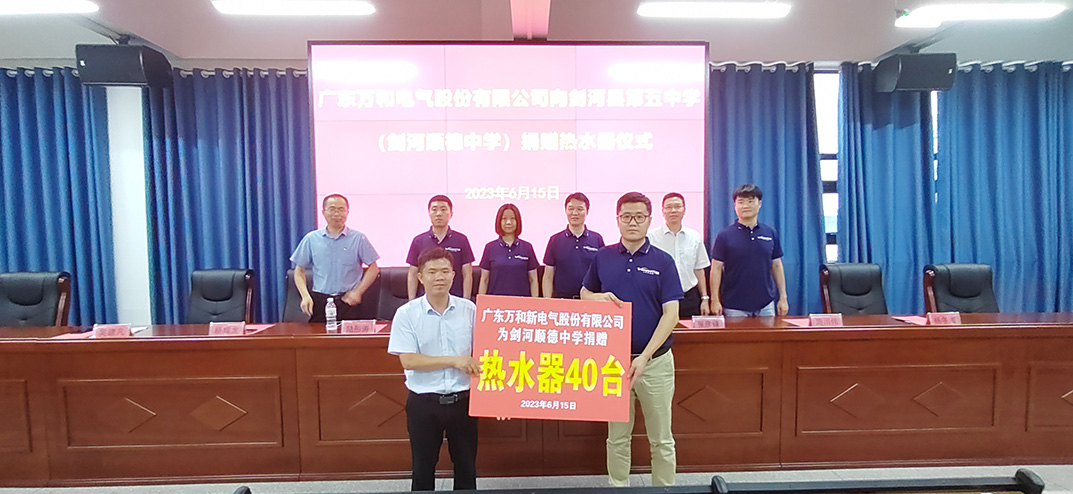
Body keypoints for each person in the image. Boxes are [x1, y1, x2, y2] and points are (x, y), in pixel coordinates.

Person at [581, 191, 683, 487]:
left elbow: (672, 314)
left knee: (661, 439)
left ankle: (664, 490)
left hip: (655, 363)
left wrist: (645, 357)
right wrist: (598, 298)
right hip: (613, 363)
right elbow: (585, 293)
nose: (633, 222)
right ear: (618, 220)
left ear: (649, 220)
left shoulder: (663, 261)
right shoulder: (603, 256)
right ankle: (619, 488)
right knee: (617, 437)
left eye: (639, 216)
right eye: (626, 216)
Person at [388, 247, 481, 491]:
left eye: (445, 271)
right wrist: (454, 360)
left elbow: (487, 354)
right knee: (423, 468)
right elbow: (409, 361)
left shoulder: (470, 310)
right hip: (424, 403)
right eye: (432, 272)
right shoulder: (406, 314)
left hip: (464, 402)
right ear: (420, 277)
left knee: (467, 468)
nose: (439, 277)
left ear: (453, 275)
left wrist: (498, 398)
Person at [290, 194, 380, 322]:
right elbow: (299, 271)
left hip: (348, 301)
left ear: (347, 212)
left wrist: (358, 292)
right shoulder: (311, 239)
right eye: (332, 209)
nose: (337, 214)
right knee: (319, 334)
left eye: (341, 209)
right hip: (320, 301)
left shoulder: (358, 238)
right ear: (323, 212)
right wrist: (305, 296)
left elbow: (373, 268)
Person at [709, 184, 789, 317]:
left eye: (751, 201)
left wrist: (783, 297)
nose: (745, 206)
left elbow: (776, 265)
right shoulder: (724, 235)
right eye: (741, 202)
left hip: (766, 305)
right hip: (734, 306)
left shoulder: (769, 232)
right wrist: (715, 300)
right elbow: (716, 268)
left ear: (760, 204)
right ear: (735, 206)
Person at [647, 192, 711, 318]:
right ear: (662, 211)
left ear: (684, 210)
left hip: (689, 297)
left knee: (690, 331)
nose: (673, 211)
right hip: (660, 298)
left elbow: (699, 269)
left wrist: (704, 298)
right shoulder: (651, 237)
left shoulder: (694, 237)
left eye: (677, 206)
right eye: (669, 207)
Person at [406, 195, 476, 300]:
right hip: (426, 300)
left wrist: (466, 300)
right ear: (429, 213)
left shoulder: (461, 240)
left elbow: (467, 274)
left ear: (451, 214)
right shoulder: (418, 241)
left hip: (455, 299)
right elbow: (413, 274)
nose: (438, 214)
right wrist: (411, 301)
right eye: (434, 209)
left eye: (443, 209)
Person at [542, 192, 605, 299]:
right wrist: (547, 301)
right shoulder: (555, 240)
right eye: (571, 209)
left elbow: (602, 272)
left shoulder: (596, 239)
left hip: (589, 300)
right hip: (562, 300)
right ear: (565, 211)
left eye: (580, 209)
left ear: (587, 212)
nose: (575, 213)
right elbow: (548, 275)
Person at [478, 203, 539, 297]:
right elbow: (484, 280)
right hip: (495, 302)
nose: (508, 222)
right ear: (499, 221)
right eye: (504, 219)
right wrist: (481, 302)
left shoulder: (527, 247)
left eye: (512, 218)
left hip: (522, 303)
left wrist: (535, 302)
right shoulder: (490, 247)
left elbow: (533, 279)